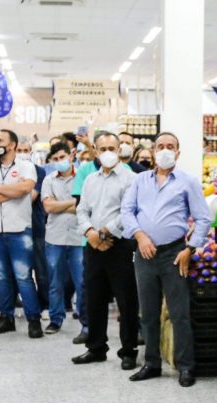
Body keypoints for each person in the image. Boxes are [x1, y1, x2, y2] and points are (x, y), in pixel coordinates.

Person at [121, 131, 211, 387]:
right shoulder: (139, 181)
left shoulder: (188, 182)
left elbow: (203, 218)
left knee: (179, 312)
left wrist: (190, 248)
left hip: (174, 253)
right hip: (144, 253)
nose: (164, 150)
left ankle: (185, 367)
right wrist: (140, 236)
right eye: (160, 146)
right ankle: (151, 363)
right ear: (153, 149)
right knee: (148, 313)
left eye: (170, 146)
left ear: (178, 152)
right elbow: (127, 211)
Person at [73, 132, 139, 369]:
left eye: (113, 147)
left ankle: (129, 350)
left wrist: (104, 232)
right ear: (96, 151)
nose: (109, 153)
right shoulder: (91, 179)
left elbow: (128, 211)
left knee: (126, 300)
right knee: (94, 297)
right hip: (93, 245)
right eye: (103, 149)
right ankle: (96, 347)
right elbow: (81, 210)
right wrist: (90, 233)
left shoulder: (131, 178)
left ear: (119, 148)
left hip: (119, 245)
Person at [0, 129, 44, 338]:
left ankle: (34, 320)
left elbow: (25, 189)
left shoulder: (26, 166)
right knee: (1, 278)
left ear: (12, 144)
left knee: (24, 277)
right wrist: (10, 191)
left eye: (0, 140)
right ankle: (6, 318)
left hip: (19, 231)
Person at [40, 142, 87, 338]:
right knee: (55, 282)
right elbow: (49, 208)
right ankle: (55, 319)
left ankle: (86, 323)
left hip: (79, 237)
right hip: (55, 237)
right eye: (56, 159)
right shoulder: (49, 179)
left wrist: (63, 205)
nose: (60, 161)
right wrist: (75, 203)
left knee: (82, 282)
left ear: (72, 155)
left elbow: (87, 204)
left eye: (63, 157)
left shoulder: (84, 178)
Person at [16, 138, 50, 319]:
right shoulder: (10, 171)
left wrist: (11, 193)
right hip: (15, 227)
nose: (22, 153)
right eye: (19, 149)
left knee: (41, 270)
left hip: (36, 226)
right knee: (19, 270)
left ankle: (44, 305)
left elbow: (30, 196)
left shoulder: (39, 171)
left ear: (30, 152)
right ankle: (16, 303)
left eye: (25, 150)